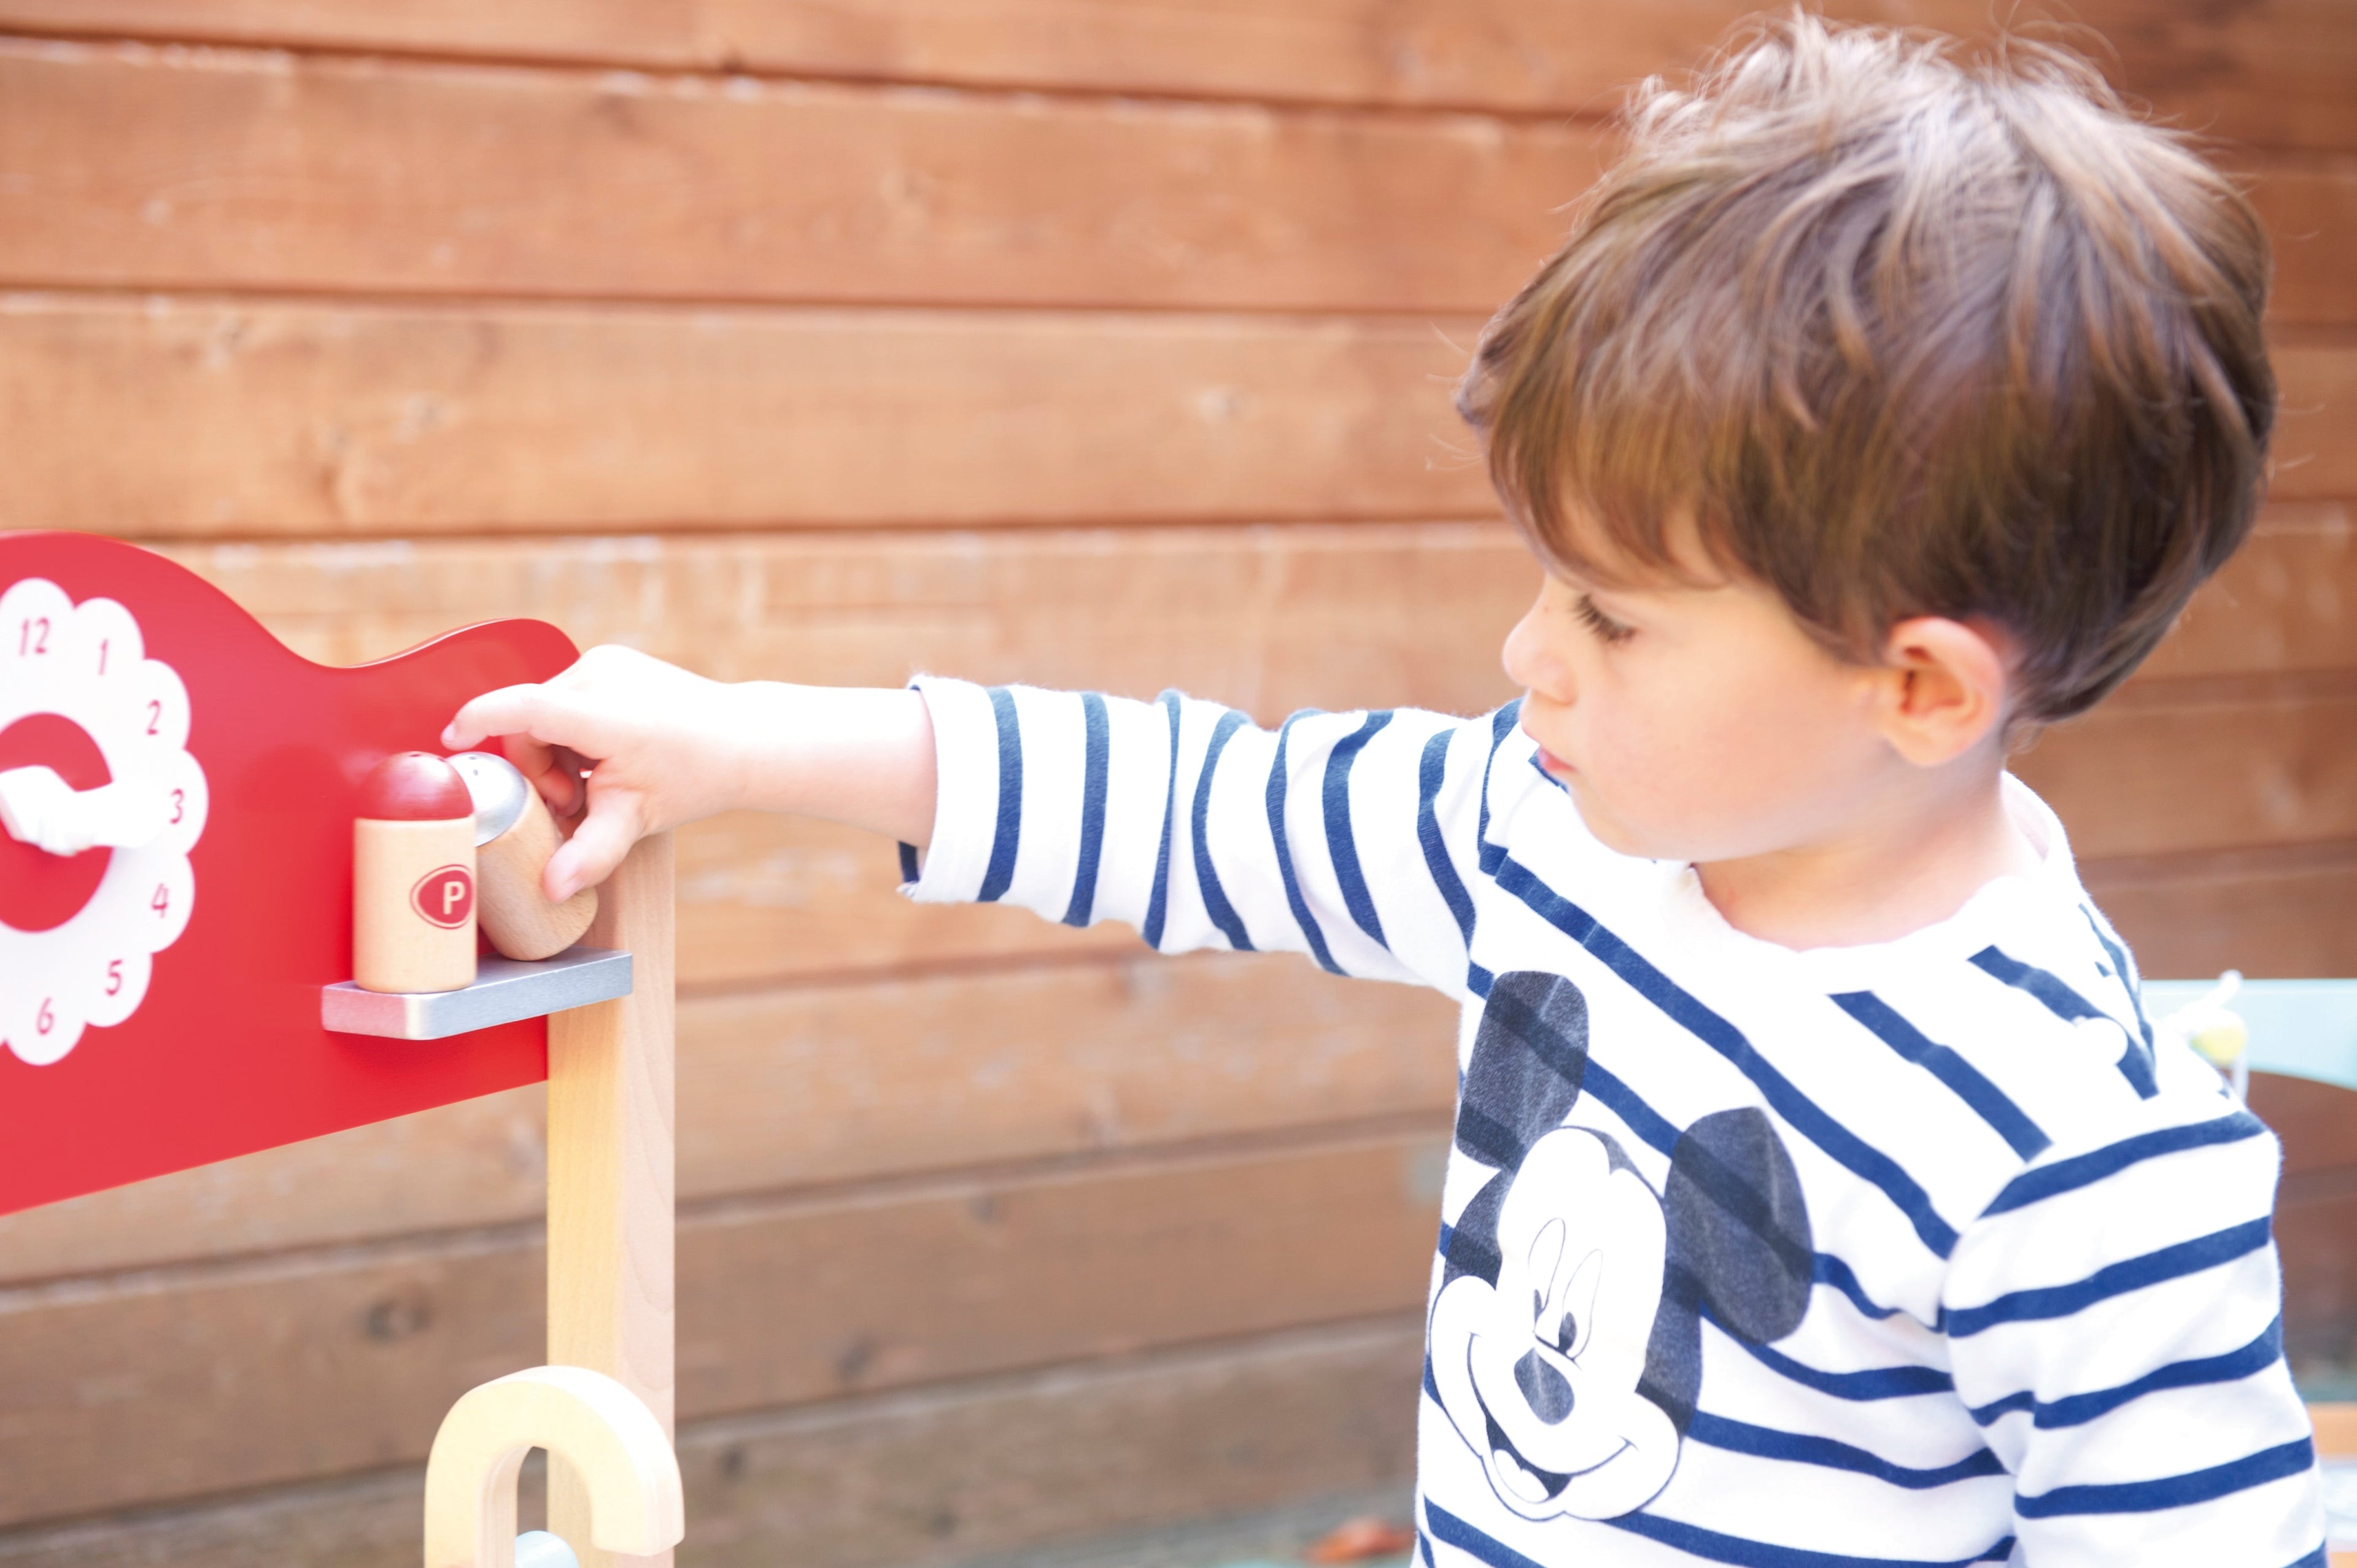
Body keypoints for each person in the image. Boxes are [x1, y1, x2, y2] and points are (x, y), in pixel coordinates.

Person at [446, 15, 2325, 1563]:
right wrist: (741, 743)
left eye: (1613, 614)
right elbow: (1186, 803)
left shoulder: (2077, 1153)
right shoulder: (1549, 832)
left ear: (1915, 686)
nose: (1529, 657)